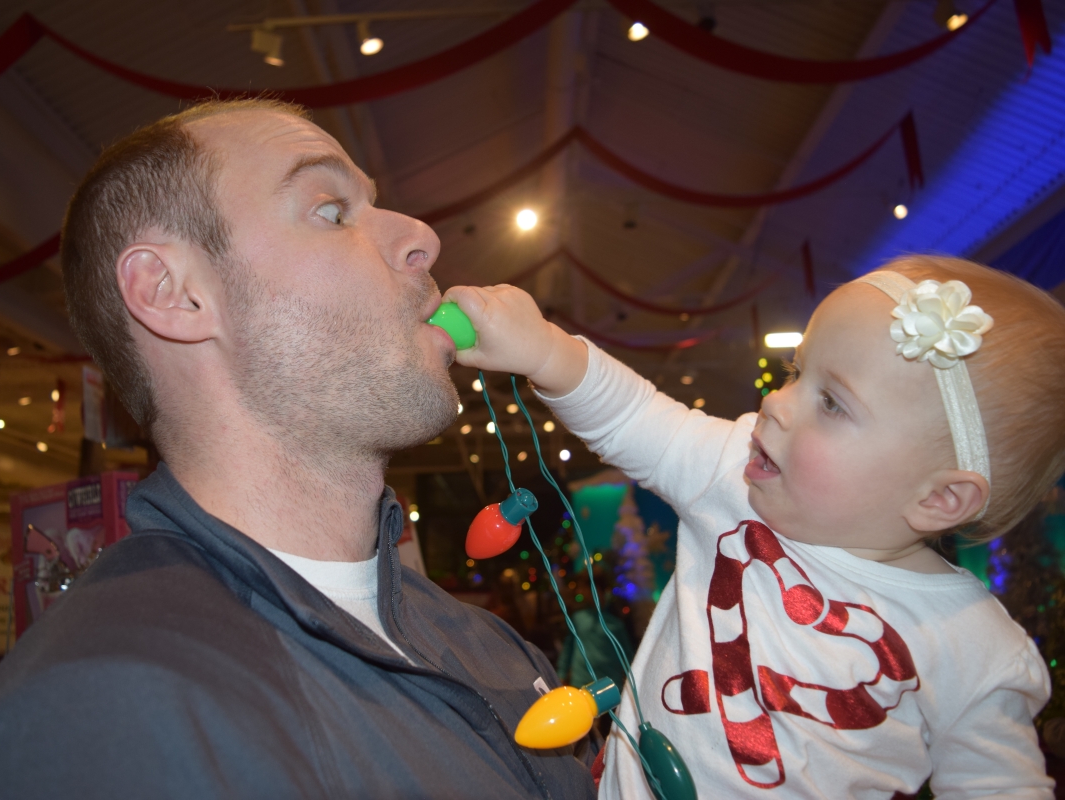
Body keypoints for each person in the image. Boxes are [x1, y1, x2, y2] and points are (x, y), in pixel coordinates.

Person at [0, 99, 597, 799]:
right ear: (174, 294)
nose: (421, 237)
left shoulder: (485, 644)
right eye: (332, 210)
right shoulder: (101, 722)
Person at [447, 255, 1062, 797]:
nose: (775, 401)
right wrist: (541, 348)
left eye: (832, 402)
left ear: (940, 498)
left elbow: (1000, 786)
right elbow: (634, 416)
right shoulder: (734, 476)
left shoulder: (972, 647)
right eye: (798, 374)